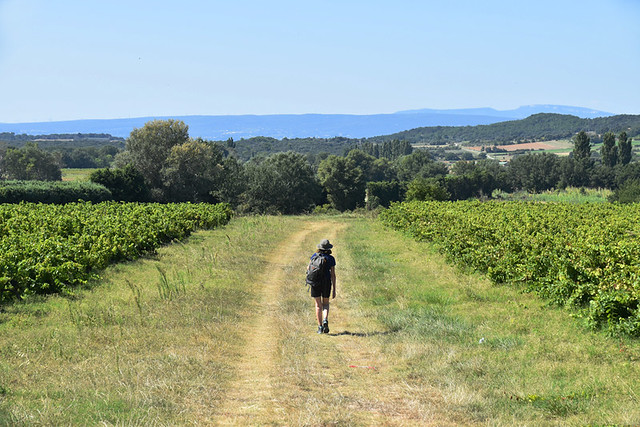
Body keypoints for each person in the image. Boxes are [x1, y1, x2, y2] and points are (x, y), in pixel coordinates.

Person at [308, 239, 336, 334]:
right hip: (326, 282)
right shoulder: (331, 259)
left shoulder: (314, 256)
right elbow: (333, 274)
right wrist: (334, 289)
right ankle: (325, 320)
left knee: (318, 305)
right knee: (326, 304)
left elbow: (308, 268)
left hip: (315, 282)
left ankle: (320, 327)